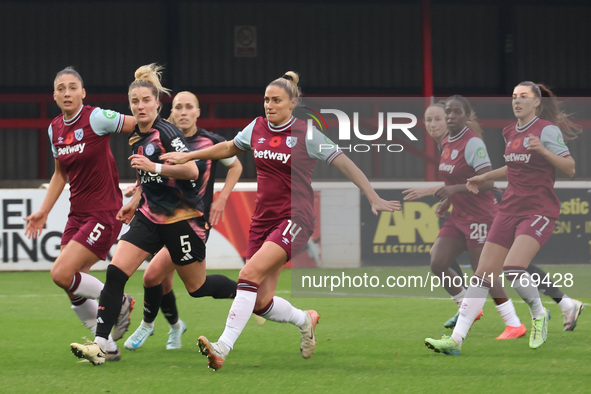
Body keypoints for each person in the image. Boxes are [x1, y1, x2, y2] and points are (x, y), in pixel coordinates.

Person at [160, 71, 401, 371]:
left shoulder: (307, 134)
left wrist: (372, 196)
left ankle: (222, 347)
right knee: (261, 301)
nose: (269, 105)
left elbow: (345, 163)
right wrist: (188, 157)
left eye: (276, 100)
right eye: (266, 100)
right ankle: (305, 320)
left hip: (295, 218)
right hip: (262, 220)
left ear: (293, 103)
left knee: (248, 273)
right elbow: (227, 148)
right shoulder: (257, 127)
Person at [425, 81, 581, 355]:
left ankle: (539, 312)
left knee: (513, 268)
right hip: (508, 209)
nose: (517, 101)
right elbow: (514, 166)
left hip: (538, 210)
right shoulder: (510, 132)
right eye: (514, 97)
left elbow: (569, 167)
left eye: (524, 97)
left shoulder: (546, 130)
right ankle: (456, 340)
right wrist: (485, 175)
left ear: (536, 102)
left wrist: (544, 150)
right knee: (481, 277)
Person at [69, 63, 208, 365]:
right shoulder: (136, 136)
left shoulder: (168, 132)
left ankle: (248, 291)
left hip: (181, 218)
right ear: (130, 105)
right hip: (150, 216)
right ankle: (102, 344)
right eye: (135, 102)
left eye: (146, 100)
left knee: (199, 288)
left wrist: (155, 167)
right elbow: (151, 177)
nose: (141, 106)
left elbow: (191, 169)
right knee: (116, 271)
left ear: (158, 103)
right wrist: (136, 198)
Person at [23, 67, 137, 361]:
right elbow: (61, 173)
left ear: (83, 93)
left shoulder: (96, 117)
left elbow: (138, 125)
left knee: (61, 273)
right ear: (54, 95)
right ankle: (108, 348)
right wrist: (43, 211)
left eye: (73, 87)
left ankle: (119, 300)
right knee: (72, 286)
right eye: (61, 88)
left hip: (104, 212)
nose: (67, 93)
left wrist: (149, 157)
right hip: (78, 214)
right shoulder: (54, 129)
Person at [123, 91, 242, 351]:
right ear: (171, 112)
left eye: (190, 107)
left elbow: (236, 166)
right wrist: (136, 199)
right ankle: (175, 326)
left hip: (191, 223)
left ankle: (148, 323)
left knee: (159, 277)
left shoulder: (209, 142)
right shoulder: (161, 136)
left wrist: (221, 199)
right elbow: (153, 175)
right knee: (161, 279)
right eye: (179, 107)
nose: (184, 112)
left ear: (198, 112)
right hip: (158, 219)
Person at [404, 98, 526, 339]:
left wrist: (453, 191)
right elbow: (454, 180)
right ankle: (466, 307)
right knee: (438, 261)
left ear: (467, 116)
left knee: (484, 272)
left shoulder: (473, 144)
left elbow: (488, 182)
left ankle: (513, 323)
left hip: (481, 215)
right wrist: (448, 200)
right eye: (447, 112)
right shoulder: (447, 142)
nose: (450, 116)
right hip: (459, 216)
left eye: (456, 112)